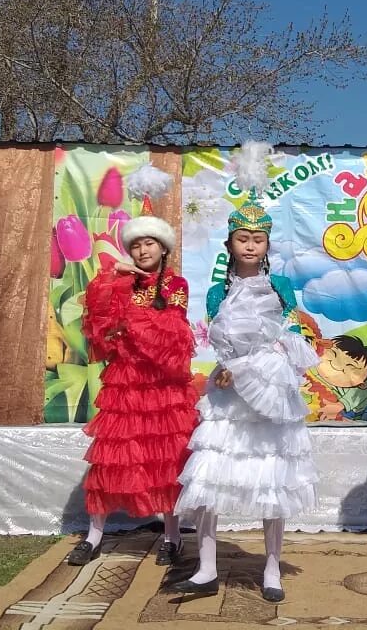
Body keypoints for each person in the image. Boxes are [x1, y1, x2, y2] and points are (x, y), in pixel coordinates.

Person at [173, 141, 318, 602]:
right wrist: (223, 372)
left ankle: (271, 568)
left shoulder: (281, 286)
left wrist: (261, 366)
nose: (251, 245)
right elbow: (220, 345)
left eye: (258, 239)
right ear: (231, 243)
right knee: (210, 476)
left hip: (271, 393)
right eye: (243, 238)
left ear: (267, 243)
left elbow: (292, 335)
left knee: (272, 479)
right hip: (228, 398)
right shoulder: (217, 292)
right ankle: (207, 567)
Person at [67, 165, 197, 567]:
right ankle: (94, 536)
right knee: (113, 458)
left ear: (164, 249)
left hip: (163, 386)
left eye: (150, 245)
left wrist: (129, 318)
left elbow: (169, 331)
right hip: (127, 383)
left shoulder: (176, 285)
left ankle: (172, 535)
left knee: (166, 459)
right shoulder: (118, 282)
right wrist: (113, 282)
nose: (142, 251)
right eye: (136, 245)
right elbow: (100, 325)